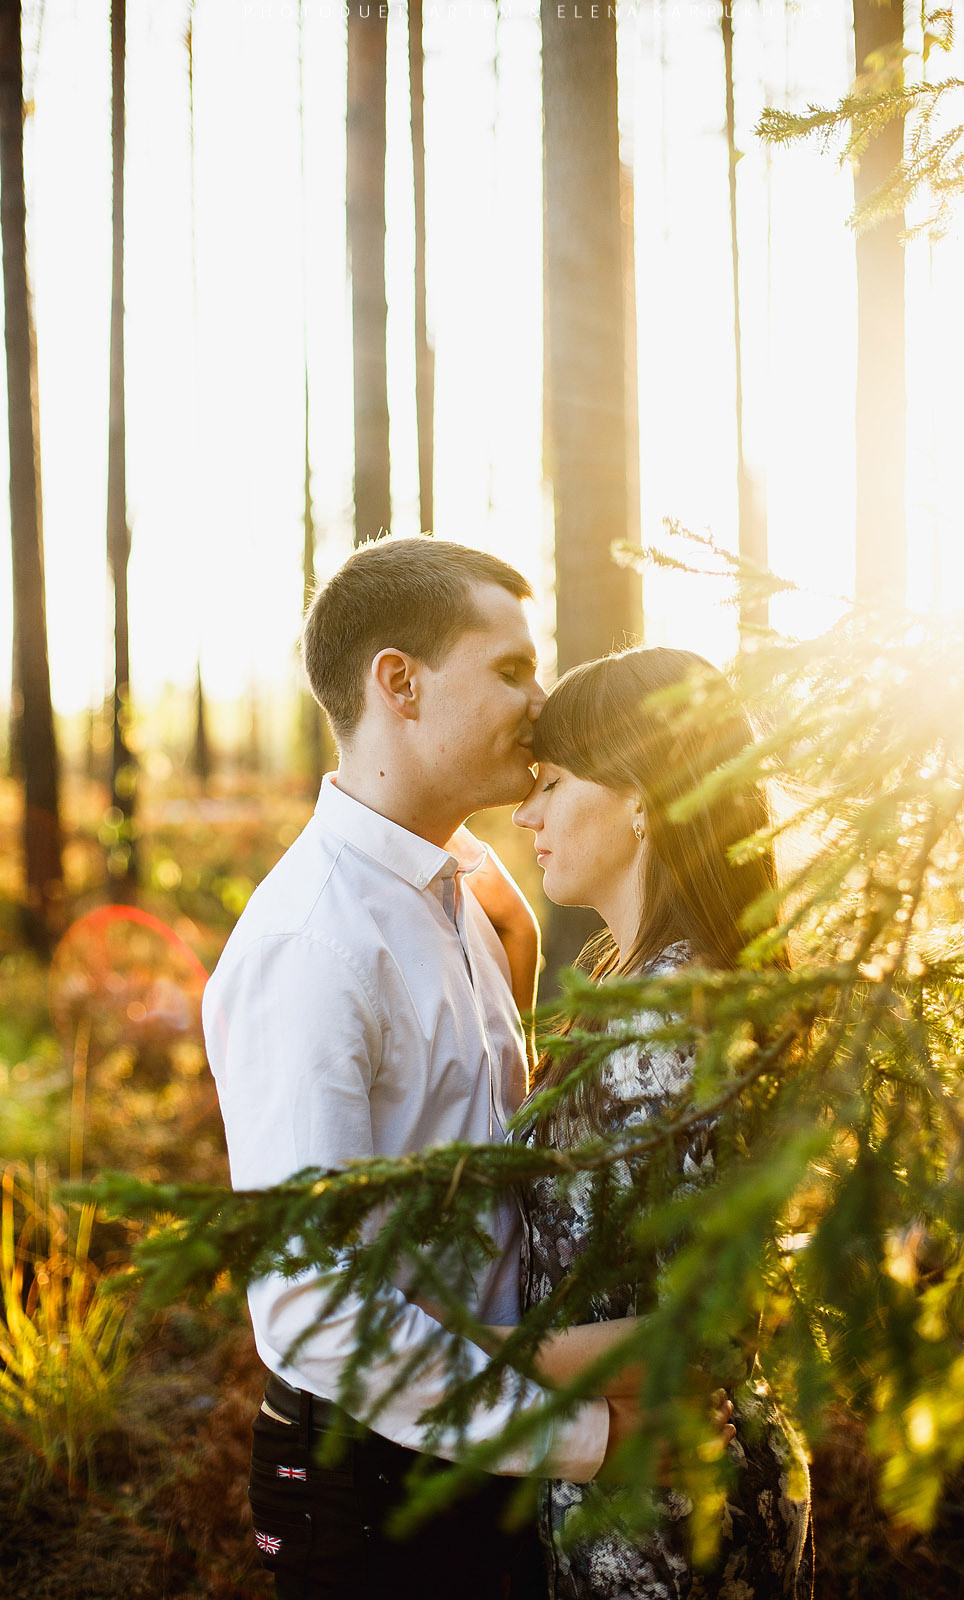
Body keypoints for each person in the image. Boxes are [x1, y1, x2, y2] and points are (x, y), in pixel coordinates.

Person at [202, 536, 633, 1600]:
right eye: (508, 669)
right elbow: (313, 1306)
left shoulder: (463, 899)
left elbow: (475, 1179)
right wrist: (583, 1437)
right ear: (397, 681)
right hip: (373, 1484)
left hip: (475, 1443)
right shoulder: (314, 943)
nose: (539, 701)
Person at [508, 646, 815, 1600]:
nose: (527, 814)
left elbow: (703, 1324)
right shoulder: (636, 983)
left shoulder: (665, 1016)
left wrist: (473, 1346)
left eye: (551, 784)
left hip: (676, 1506)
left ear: (639, 797)